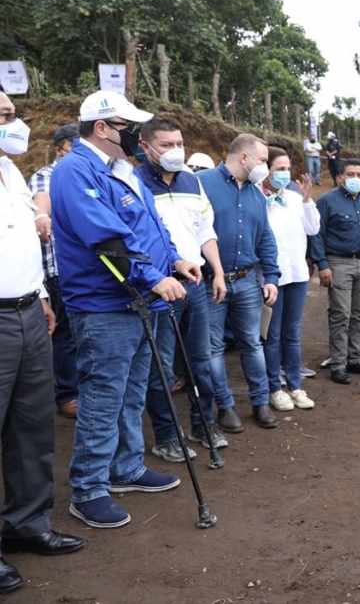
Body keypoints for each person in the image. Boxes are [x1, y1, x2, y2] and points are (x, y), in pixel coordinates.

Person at [52, 90, 199, 529]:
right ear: (102, 127)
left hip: (138, 301)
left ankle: (126, 467)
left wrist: (173, 259)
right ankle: (90, 487)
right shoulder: (74, 171)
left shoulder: (121, 169)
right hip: (105, 305)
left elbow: (149, 226)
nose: (135, 134)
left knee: (132, 391)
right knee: (103, 397)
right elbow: (107, 239)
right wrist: (153, 277)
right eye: (127, 126)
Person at [0, 93, 84, 592]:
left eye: (10, 115)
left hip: (29, 310)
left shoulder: (10, 171)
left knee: (32, 426)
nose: (13, 123)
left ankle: (25, 523)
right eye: (3, 116)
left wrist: (38, 295)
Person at [136, 116, 229, 462]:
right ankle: (166, 435)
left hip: (196, 282)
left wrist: (217, 272)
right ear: (145, 146)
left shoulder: (192, 181)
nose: (175, 151)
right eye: (166, 145)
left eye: (179, 144)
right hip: (159, 288)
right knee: (160, 366)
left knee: (200, 360)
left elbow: (206, 231)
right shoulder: (134, 183)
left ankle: (203, 424)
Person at [198, 134, 281, 431]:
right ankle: (225, 406)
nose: (266, 167)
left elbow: (266, 238)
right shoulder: (202, 184)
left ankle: (260, 402)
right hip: (210, 283)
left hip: (247, 280)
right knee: (213, 348)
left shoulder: (257, 195)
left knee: (252, 343)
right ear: (244, 158)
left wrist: (271, 276)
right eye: (262, 160)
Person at [309, 159, 360, 384]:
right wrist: (323, 265)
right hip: (339, 263)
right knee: (341, 315)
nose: (356, 178)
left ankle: (355, 359)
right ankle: (338, 363)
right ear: (340, 177)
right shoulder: (327, 201)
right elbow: (317, 234)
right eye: (351, 174)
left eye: (359, 174)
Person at [262, 147, 320, 410]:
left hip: (297, 273)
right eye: (279, 169)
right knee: (272, 334)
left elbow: (313, 228)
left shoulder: (296, 199)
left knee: (292, 332)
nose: (284, 174)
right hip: (272, 277)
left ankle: (295, 384)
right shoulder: (257, 199)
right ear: (266, 171)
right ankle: (274, 387)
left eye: (287, 169)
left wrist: (307, 200)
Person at [29, 123, 79, 419]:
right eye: (73, 145)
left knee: (82, 333)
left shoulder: (90, 174)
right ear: (61, 148)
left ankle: (81, 388)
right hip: (59, 268)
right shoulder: (45, 176)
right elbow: (41, 204)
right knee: (65, 334)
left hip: (87, 270)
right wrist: (43, 214)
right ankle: (68, 394)